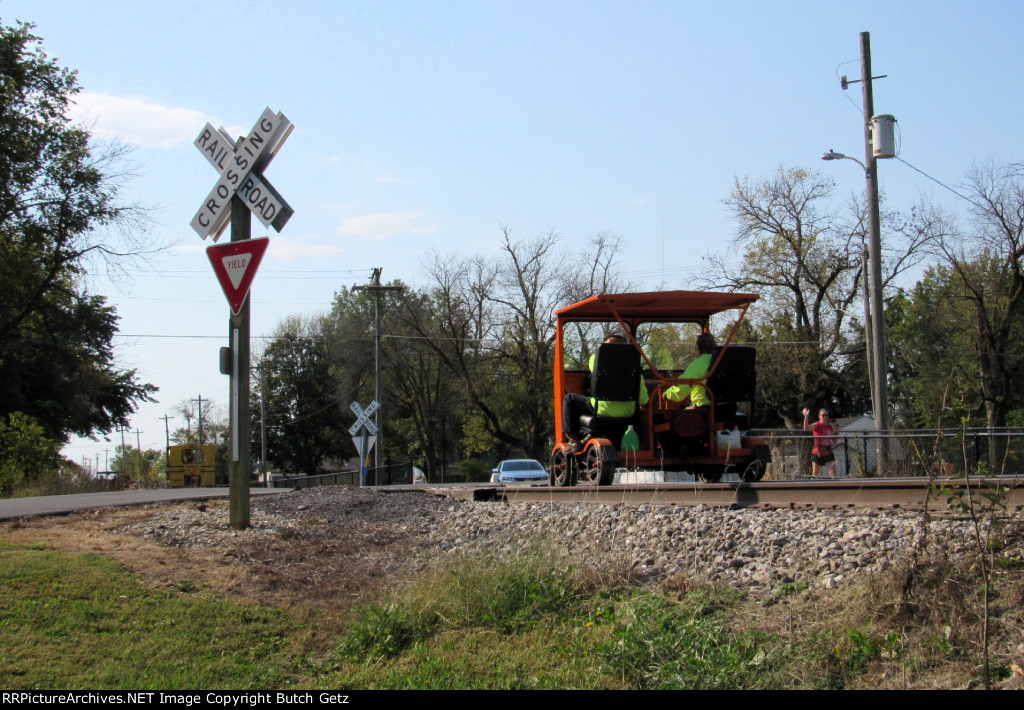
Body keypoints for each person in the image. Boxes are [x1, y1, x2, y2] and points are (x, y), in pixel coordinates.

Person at [563, 335, 649, 451]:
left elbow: (593, 364)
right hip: (627, 414)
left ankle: (574, 441)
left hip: (601, 410)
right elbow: (644, 400)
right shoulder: (636, 372)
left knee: (570, 399)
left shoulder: (597, 360)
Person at [664, 333, 716, 407]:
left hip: (705, 408)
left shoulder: (699, 363)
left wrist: (667, 394)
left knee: (678, 416)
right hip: (729, 407)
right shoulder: (724, 360)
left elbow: (682, 388)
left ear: (699, 347)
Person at [803, 406, 838, 478]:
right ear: (819, 416)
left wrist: (837, 433)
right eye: (823, 415)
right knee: (815, 473)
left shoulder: (830, 427)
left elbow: (834, 441)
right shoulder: (817, 425)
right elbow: (806, 428)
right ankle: (811, 487)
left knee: (833, 472)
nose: (825, 417)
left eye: (827, 415)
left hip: (828, 452)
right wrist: (806, 416)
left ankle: (834, 487)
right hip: (818, 452)